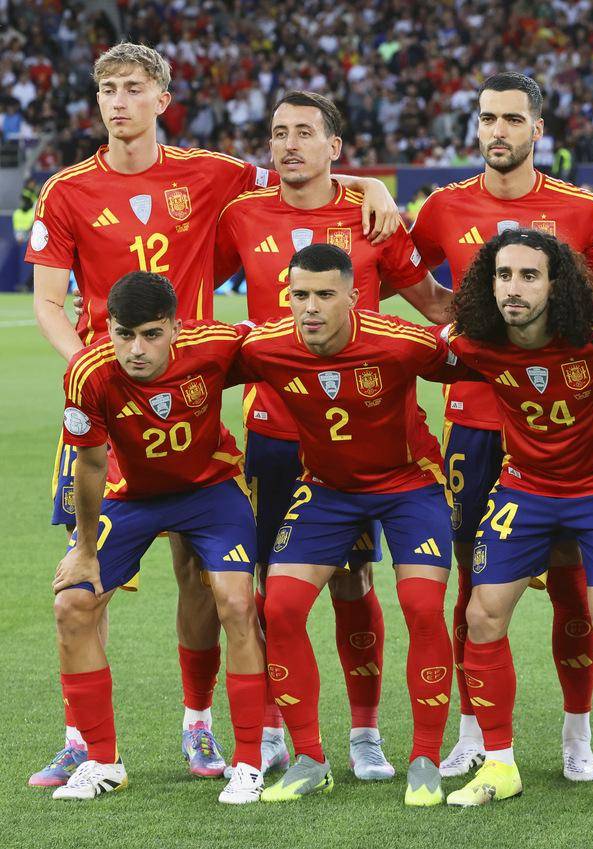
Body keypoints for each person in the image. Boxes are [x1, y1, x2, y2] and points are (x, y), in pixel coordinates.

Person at [26, 41, 401, 786]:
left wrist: (369, 185)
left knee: (202, 576)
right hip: (107, 402)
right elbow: (47, 302)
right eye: (108, 89)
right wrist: (93, 374)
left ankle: (198, 727)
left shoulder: (213, 173)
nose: (119, 101)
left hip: (193, 402)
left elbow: (301, 172)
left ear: (162, 99)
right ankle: (78, 739)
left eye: (134, 88)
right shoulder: (66, 190)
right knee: (84, 573)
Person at [214, 89, 453, 780]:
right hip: (274, 432)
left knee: (354, 580)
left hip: (367, 438)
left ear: (334, 147)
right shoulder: (242, 213)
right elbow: (191, 286)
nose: (289, 144)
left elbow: (433, 304)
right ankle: (274, 731)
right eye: (278, 132)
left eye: (304, 132)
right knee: (271, 589)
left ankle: (365, 733)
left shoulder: (372, 214)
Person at [408, 71, 593, 782]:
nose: (497, 130)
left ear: (538, 128)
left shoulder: (582, 209)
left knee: (574, 586)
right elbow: (413, 282)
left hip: (567, 429)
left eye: (511, 119)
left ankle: (577, 733)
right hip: (475, 424)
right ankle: (474, 731)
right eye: (487, 118)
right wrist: (472, 328)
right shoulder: (442, 206)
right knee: (472, 583)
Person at [233, 244, 462, 805]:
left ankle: (425, 759)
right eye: (300, 295)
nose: (310, 307)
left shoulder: (400, 341)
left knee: (422, 606)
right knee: (280, 607)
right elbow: (191, 358)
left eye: (324, 295)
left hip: (409, 484)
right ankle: (310, 759)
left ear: (354, 297)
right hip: (328, 490)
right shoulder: (266, 346)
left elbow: (480, 358)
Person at [440, 228, 593, 814]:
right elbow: (422, 351)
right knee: (481, 614)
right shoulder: (475, 340)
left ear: (556, 286)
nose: (513, 288)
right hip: (525, 487)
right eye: (503, 275)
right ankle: (499, 765)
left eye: (529, 276)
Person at [50, 272, 266, 804]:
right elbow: (90, 464)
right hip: (132, 497)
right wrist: (84, 551)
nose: (136, 349)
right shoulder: (88, 373)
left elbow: (280, 348)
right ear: (108, 328)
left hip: (211, 490)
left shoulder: (214, 345)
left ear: (174, 327)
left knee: (237, 603)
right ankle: (102, 761)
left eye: (151, 334)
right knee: (72, 604)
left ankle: (248, 762)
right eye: (124, 335)